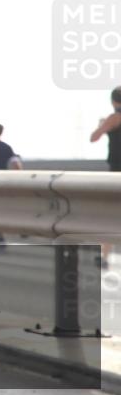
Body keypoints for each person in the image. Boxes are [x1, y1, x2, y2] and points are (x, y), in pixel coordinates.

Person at [90, 86, 121, 268]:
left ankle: (104, 256)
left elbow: (94, 137)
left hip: (117, 172)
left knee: (110, 216)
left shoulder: (114, 117)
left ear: (113, 101)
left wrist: (101, 125)